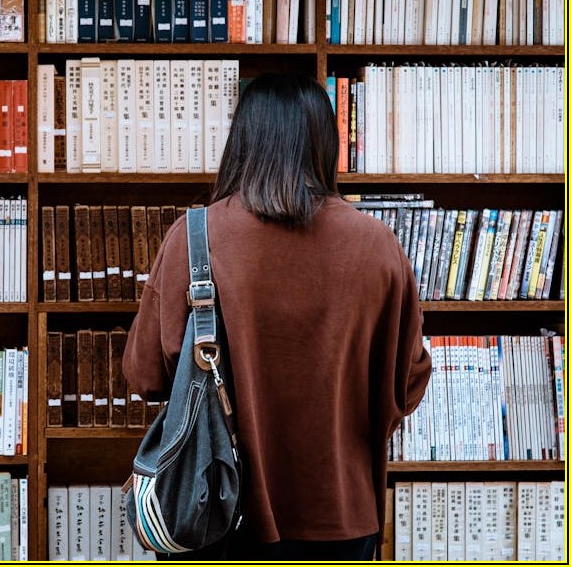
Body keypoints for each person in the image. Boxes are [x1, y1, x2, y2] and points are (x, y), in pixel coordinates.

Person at [122, 72, 432, 561]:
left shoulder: (194, 237)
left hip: (215, 510)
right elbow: (408, 385)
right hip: (342, 515)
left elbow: (145, 376)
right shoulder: (378, 246)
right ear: (326, 144)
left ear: (242, 141)